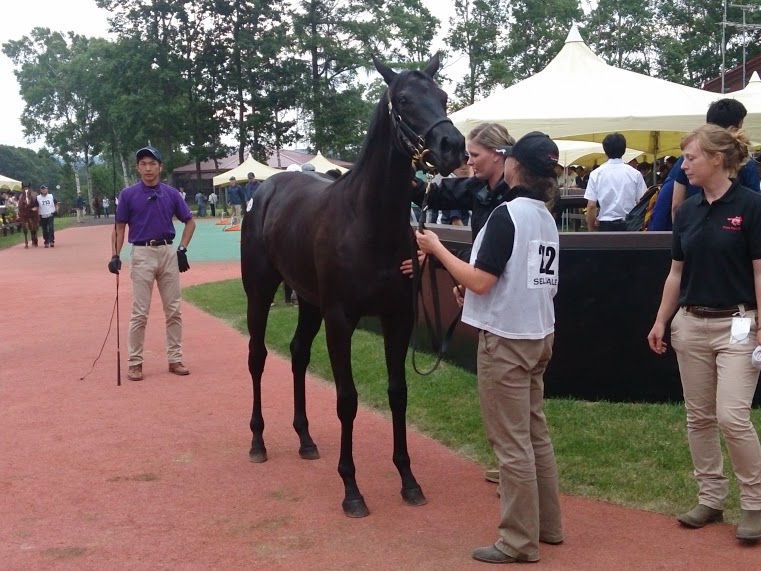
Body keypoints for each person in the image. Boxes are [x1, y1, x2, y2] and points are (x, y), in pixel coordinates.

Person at [415, 131, 563, 564]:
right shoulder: (546, 215)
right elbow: (523, 280)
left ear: (515, 165)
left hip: (508, 341)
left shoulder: (507, 215)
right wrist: (476, 289)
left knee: (512, 444)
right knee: (536, 436)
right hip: (538, 335)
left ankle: (518, 541)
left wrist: (437, 248)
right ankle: (549, 526)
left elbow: (481, 279)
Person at [647, 124, 761, 543]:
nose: (684, 164)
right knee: (699, 417)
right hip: (690, 325)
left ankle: (756, 504)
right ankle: (710, 498)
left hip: (739, 323)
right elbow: (675, 273)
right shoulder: (687, 211)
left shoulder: (752, 206)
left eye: (691, 157)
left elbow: (760, 270)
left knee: (732, 415)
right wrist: (662, 320)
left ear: (717, 158)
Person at [108, 145, 196, 382]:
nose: (148, 168)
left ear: (160, 167)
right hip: (141, 253)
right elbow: (119, 227)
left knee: (174, 310)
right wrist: (115, 255)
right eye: (143, 164)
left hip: (167, 251)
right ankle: (135, 363)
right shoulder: (128, 195)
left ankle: (175, 359)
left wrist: (182, 248)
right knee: (140, 313)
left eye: (152, 163)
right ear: (138, 168)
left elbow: (189, 221)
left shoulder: (171, 193)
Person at [671, 98, 760, 220]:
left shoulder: (687, 158)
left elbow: (676, 204)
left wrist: (682, 229)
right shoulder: (744, 160)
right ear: (738, 126)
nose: (685, 165)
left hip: (694, 225)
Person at [584, 133, 647, 231]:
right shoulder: (635, 174)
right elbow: (642, 202)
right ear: (624, 150)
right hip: (630, 225)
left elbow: (591, 206)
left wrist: (591, 228)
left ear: (605, 151)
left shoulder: (596, 174)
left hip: (605, 226)